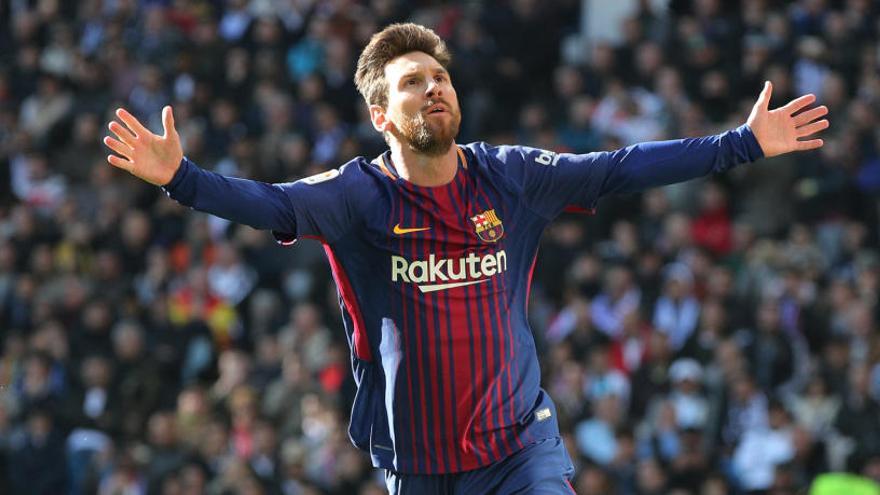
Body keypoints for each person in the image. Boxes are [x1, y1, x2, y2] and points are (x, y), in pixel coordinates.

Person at [102, 22, 829, 495]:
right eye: (412, 82)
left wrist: (742, 143)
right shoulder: (356, 195)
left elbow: (619, 167)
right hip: (418, 464)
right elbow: (268, 203)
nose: (434, 87)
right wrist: (181, 179)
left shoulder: (509, 175)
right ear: (382, 115)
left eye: (439, 76)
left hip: (519, 448)